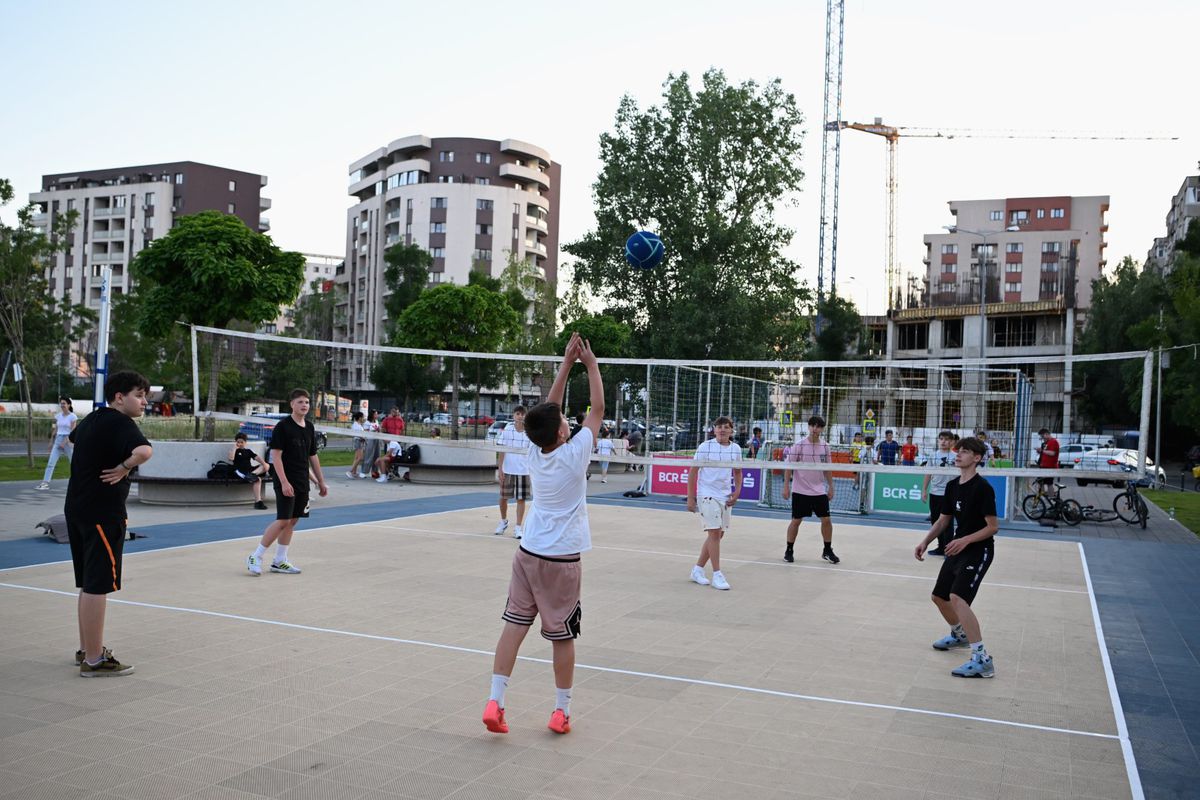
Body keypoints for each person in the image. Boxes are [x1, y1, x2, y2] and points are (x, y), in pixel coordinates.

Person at [483, 332, 601, 736]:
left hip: (527, 552)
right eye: (566, 421)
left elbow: (549, 410)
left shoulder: (534, 450)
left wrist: (566, 364)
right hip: (561, 559)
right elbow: (597, 410)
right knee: (562, 636)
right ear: (563, 433)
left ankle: (495, 701)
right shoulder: (574, 452)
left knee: (514, 627)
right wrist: (591, 365)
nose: (567, 419)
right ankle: (560, 710)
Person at [65, 371, 153, 676]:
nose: (144, 402)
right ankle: (94, 661)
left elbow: (72, 438)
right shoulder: (121, 422)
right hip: (103, 512)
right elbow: (144, 451)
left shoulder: (92, 419)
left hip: (76, 507)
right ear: (119, 397)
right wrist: (122, 467)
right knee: (98, 585)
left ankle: (86, 649)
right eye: (139, 395)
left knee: (89, 584)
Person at [914, 437, 998, 679]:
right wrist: (925, 542)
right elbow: (943, 521)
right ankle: (959, 635)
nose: (958, 455)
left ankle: (982, 658)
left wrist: (965, 540)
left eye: (965, 452)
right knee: (939, 597)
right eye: (957, 451)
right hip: (957, 547)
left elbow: (993, 527)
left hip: (978, 549)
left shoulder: (983, 488)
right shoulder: (952, 486)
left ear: (977, 458)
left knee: (958, 598)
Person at [246, 389, 329, 576]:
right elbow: (275, 456)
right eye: (300, 401)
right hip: (285, 479)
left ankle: (279, 561)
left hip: (301, 481)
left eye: (307, 402)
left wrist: (320, 482)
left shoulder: (309, 427)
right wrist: (283, 482)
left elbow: (312, 456)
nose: (304, 405)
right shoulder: (283, 427)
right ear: (292, 404)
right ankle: (255, 556)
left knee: (292, 521)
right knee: (283, 520)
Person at [686, 416, 743, 590]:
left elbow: (738, 473)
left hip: (724, 496)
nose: (722, 429)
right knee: (714, 533)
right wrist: (690, 497)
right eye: (719, 427)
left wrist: (737, 491)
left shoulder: (736, 449)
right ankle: (717, 574)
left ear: (731, 430)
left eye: (726, 427)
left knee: (717, 535)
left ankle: (697, 569)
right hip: (706, 494)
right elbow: (693, 471)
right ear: (714, 429)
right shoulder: (705, 446)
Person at [782, 415, 839, 565]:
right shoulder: (799, 445)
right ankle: (789, 550)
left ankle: (827, 550)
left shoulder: (825, 446)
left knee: (826, 520)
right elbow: (789, 467)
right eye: (813, 426)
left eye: (818, 426)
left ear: (822, 429)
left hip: (819, 490)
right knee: (796, 521)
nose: (815, 429)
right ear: (809, 427)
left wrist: (831, 487)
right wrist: (786, 486)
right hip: (800, 490)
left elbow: (828, 469)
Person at [495, 406, 531, 538]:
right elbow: (502, 451)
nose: (520, 416)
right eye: (518, 414)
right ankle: (503, 521)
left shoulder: (529, 432)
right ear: (514, 415)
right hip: (508, 469)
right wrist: (500, 469)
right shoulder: (508, 430)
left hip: (523, 470)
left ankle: (518, 527)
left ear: (525, 416)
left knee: (521, 499)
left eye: (522, 414)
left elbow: (533, 453)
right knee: (503, 497)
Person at [920, 431, 957, 555]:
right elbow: (928, 474)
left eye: (947, 439)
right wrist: (924, 490)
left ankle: (949, 550)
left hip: (949, 494)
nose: (943, 442)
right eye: (941, 439)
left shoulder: (956, 457)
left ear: (952, 442)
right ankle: (941, 547)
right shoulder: (933, 455)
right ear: (938, 441)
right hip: (935, 493)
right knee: (935, 522)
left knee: (947, 524)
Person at [39, 397, 78, 490]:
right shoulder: (58, 416)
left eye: (64, 403)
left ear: (69, 405)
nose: (62, 405)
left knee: (74, 463)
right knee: (51, 463)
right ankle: (45, 482)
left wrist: (65, 442)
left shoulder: (73, 417)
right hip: (58, 440)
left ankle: (78, 483)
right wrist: (51, 441)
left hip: (68, 441)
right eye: (61, 403)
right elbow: (56, 429)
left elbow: (73, 431)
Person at [230, 433, 270, 509]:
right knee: (258, 480)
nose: (240, 444)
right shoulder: (235, 451)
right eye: (238, 442)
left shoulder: (248, 451)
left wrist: (264, 464)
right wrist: (234, 448)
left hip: (249, 470)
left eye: (242, 442)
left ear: (245, 442)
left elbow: (257, 457)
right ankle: (258, 502)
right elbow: (231, 458)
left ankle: (252, 474)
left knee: (266, 465)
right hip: (240, 471)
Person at [1035, 428, 1060, 496]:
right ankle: (1043, 497)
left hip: (1050, 467)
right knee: (1040, 482)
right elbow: (1044, 453)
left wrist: (1042, 451)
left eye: (1043, 436)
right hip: (1044, 466)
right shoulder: (1045, 443)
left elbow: (1053, 453)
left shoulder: (1053, 442)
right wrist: (1040, 451)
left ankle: (1051, 497)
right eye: (1041, 437)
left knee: (1049, 483)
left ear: (1047, 434)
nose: (1042, 438)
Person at [346, 411, 367, 479]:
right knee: (360, 458)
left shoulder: (357, 424)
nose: (363, 418)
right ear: (360, 418)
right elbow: (358, 435)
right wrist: (364, 438)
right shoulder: (357, 425)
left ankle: (354, 472)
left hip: (358, 441)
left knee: (356, 458)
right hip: (359, 441)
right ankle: (351, 471)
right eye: (363, 417)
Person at [362, 410, 382, 478]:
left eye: (377, 414)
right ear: (372, 415)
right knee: (369, 456)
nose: (377, 415)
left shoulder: (376, 421)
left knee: (377, 455)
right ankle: (364, 471)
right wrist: (373, 431)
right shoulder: (367, 423)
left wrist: (379, 429)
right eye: (375, 414)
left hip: (377, 440)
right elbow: (366, 432)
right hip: (370, 440)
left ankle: (374, 471)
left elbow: (379, 430)